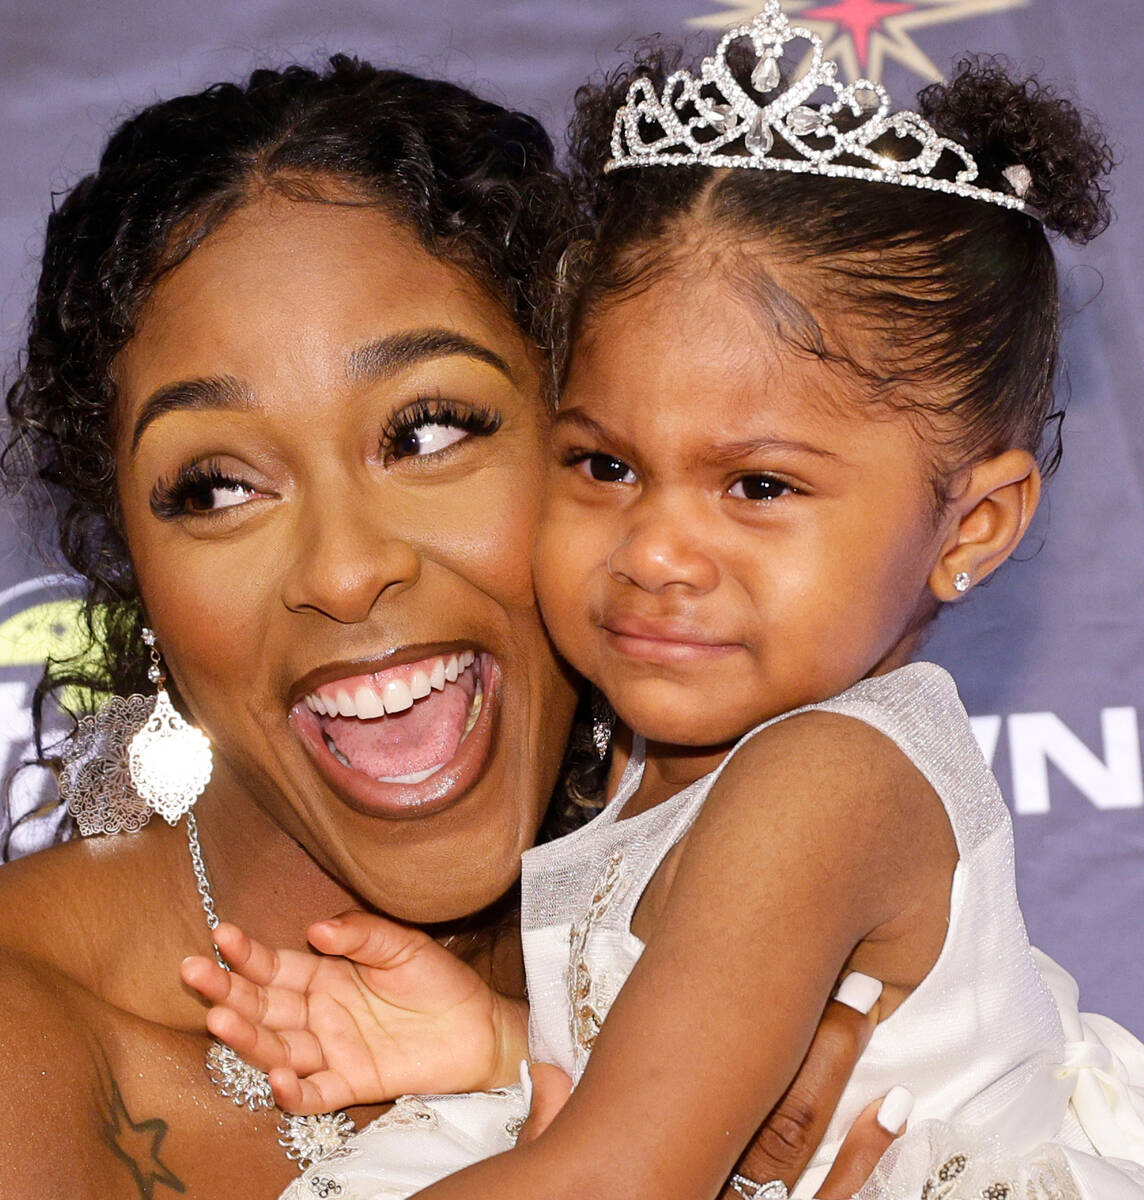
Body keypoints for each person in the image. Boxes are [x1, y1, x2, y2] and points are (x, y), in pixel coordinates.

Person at [188, 7, 1144, 1199]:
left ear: (973, 525)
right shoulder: (663, 762)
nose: (655, 552)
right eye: (604, 466)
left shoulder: (823, 782)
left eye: (757, 485)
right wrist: (497, 1044)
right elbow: (686, 1085)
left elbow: (614, 1182)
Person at [0, 52, 891, 1199]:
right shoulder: (34, 1032)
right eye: (218, 486)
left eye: (428, 431)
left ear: (597, 458)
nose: (346, 568)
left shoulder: (775, 949)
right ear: (137, 570)